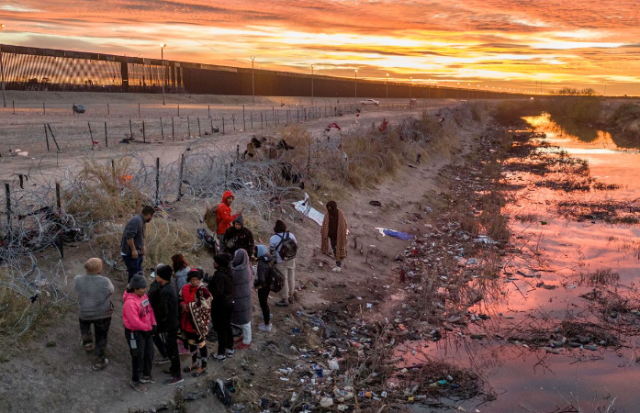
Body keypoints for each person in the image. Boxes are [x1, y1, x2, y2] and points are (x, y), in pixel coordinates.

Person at [73, 258, 114, 371]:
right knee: (101, 337)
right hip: (102, 314)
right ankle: (99, 361)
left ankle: (87, 343)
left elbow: (76, 290)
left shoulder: (78, 279)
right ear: (99, 269)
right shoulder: (105, 281)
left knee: (84, 326)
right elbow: (111, 291)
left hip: (85, 312)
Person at [150, 265, 183, 385]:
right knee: (171, 347)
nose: (155, 276)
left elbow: (163, 311)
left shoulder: (165, 291)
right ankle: (173, 370)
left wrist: (157, 323)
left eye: (157, 274)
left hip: (169, 324)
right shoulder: (171, 285)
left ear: (162, 277)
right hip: (173, 321)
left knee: (172, 349)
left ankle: (177, 375)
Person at [123, 274, 157, 393]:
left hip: (146, 330)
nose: (144, 290)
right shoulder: (130, 303)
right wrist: (148, 328)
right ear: (135, 289)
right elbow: (134, 322)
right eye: (142, 288)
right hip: (135, 334)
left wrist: (153, 324)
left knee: (149, 352)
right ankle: (135, 380)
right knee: (137, 356)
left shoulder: (143, 296)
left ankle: (146, 375)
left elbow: (150, 310)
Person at [180, 269, 212, 377]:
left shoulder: (203, 291)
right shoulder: (184, 289)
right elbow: (180, 298)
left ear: (199, 280)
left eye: (196, 280)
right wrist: (182, 304)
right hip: (187, 322)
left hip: (198, 324)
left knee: (201, 344)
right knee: (191, 343)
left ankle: (204, 365)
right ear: (189, 279)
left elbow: (207, 306)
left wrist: (190, 307)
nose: (194, 282)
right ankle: (194, 363)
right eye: (192, 279)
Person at [208, 254, 235, 361]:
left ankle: (221, 353)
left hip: (220, 306)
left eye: (215, 262)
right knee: (227, 326)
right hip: (229, 304)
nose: (213, 263)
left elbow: (217, 292)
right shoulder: (229, 273)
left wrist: (208, 292)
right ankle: (230, 348)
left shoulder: (219, 276)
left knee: (221, 330)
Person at [121, 206, 155, 282]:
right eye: (152, 216)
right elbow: (129, 236)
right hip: (130, 254)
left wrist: (143, 245)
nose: (152, 218)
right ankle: (130, 291)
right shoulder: (136, 221)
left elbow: (141, 235)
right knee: (133, 276)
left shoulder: (142, 221)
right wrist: (133, 250)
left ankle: (136, 291)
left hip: (137, 253)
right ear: (149, 215)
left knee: (138, 274)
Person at [270, 220, 297, 307]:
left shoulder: (273, 238)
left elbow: (272, 251)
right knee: (291, 277)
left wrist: (274, 261)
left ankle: (285, 299)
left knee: (283, 279)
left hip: (281, 261)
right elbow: (296, 245)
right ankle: (291, 296)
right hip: (291, 259)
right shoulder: (290, 235)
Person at [230, 249, 252, 349]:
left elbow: (231, 279)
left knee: (245, 321)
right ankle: (245, 337)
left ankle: (247, 341)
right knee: (246, 318)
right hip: (245, 295)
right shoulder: (247, 266)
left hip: (240, 296)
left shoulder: (239, 270)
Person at [147, 267, 168, 365]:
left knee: (155, 336)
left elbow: (149, 299)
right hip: (166, 316)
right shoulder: (169, 285)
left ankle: (165, 354)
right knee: (165, 336)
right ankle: (168, 353)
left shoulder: (155, 286)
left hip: (157, 316)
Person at [321, 201, 348, 272]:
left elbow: (343, 225)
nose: (329, 210)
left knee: (337, 249)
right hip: (331, 236)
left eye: (330, 208)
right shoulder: (327, 215)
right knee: (334, 248)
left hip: (338, 236)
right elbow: (325, 224)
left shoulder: (339, 214)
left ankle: (338, 265)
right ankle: (338, 263)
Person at [254, 245, 273, 332]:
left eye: (256, 250)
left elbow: (261, 279)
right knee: (265, 303)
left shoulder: (261, 263)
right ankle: (267, 319)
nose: (254, 252)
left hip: (263, 287)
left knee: (263, 304)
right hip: (268, 285)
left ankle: (267, 324)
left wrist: (256, 284)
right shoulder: (268, 259)